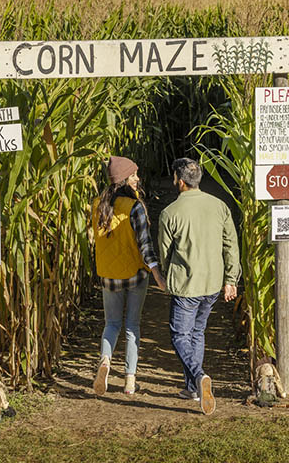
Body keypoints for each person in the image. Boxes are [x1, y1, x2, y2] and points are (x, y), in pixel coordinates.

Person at [158, 157, 240, 415]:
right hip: (213, 283)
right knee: (197, 332)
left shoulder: (170, 213)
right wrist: (230, 279)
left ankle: (199, 376)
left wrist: (165, 276)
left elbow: (164, 253)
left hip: (186, 284)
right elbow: (231, 244)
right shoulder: (219, 206)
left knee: (180, 335)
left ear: (179, 181)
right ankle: (192, 388)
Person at [90, 156, 167, 396]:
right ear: (123, 179)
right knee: (132, 326)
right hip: (134, 275)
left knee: (111, 323)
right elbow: (145, 245)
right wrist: (157, 274)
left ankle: (105, 361)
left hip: (108, 275)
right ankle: (130, 380)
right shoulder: (135, 207)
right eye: (133, 175)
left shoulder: (97, 205)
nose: (137, 179)